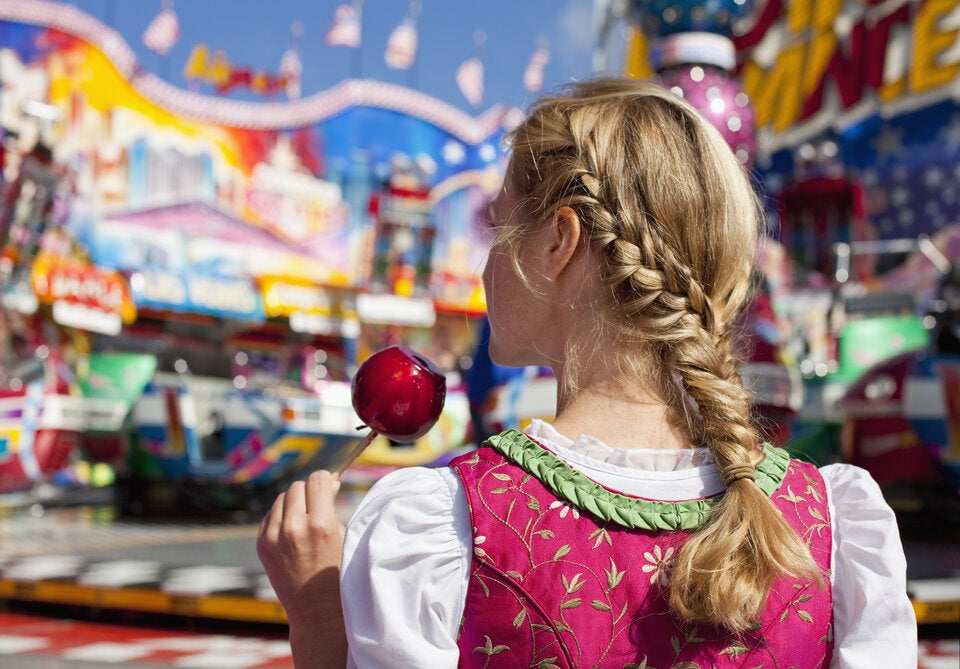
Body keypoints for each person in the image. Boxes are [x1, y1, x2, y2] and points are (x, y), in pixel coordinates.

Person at [257, 78, 917, 668]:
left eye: (499, 224)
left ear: (557, 242)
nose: (486, 262)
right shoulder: (831, 522)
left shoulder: (445, 521)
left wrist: (319, 616)